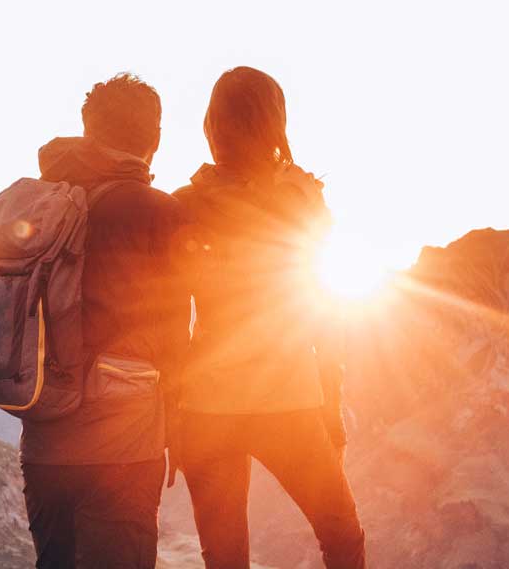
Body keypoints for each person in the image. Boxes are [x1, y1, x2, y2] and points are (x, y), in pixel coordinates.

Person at [173, 66, 367, 569]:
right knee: (342, 537)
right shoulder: (302, 199)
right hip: (290, 401)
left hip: (206, 408)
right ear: (274, 122)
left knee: (225, 559)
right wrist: (332, 409)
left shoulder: (184, 206)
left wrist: (172, 413)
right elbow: (325, 311)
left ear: (212, 124)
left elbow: (162, 316)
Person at [20, 74, 189, 569]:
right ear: (155, 137)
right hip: (123, 444)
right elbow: (177, 334)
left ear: (88, 131)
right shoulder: (158, 211)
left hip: (44, 442)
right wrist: (177, 425)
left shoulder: (45, 204)